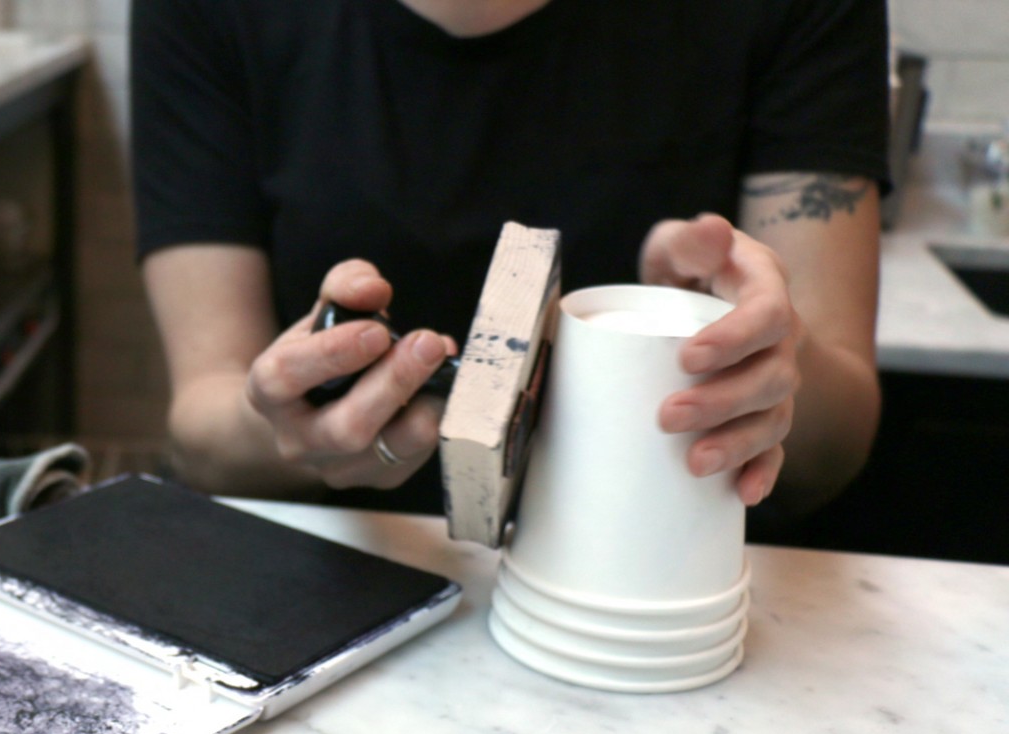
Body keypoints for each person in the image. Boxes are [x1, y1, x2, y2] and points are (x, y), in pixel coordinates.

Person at [132, 0, 888, 518]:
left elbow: (839, 437)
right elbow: (202, 428)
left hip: (665, 579)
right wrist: (287, 425)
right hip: (336, 587)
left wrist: (743, 352)